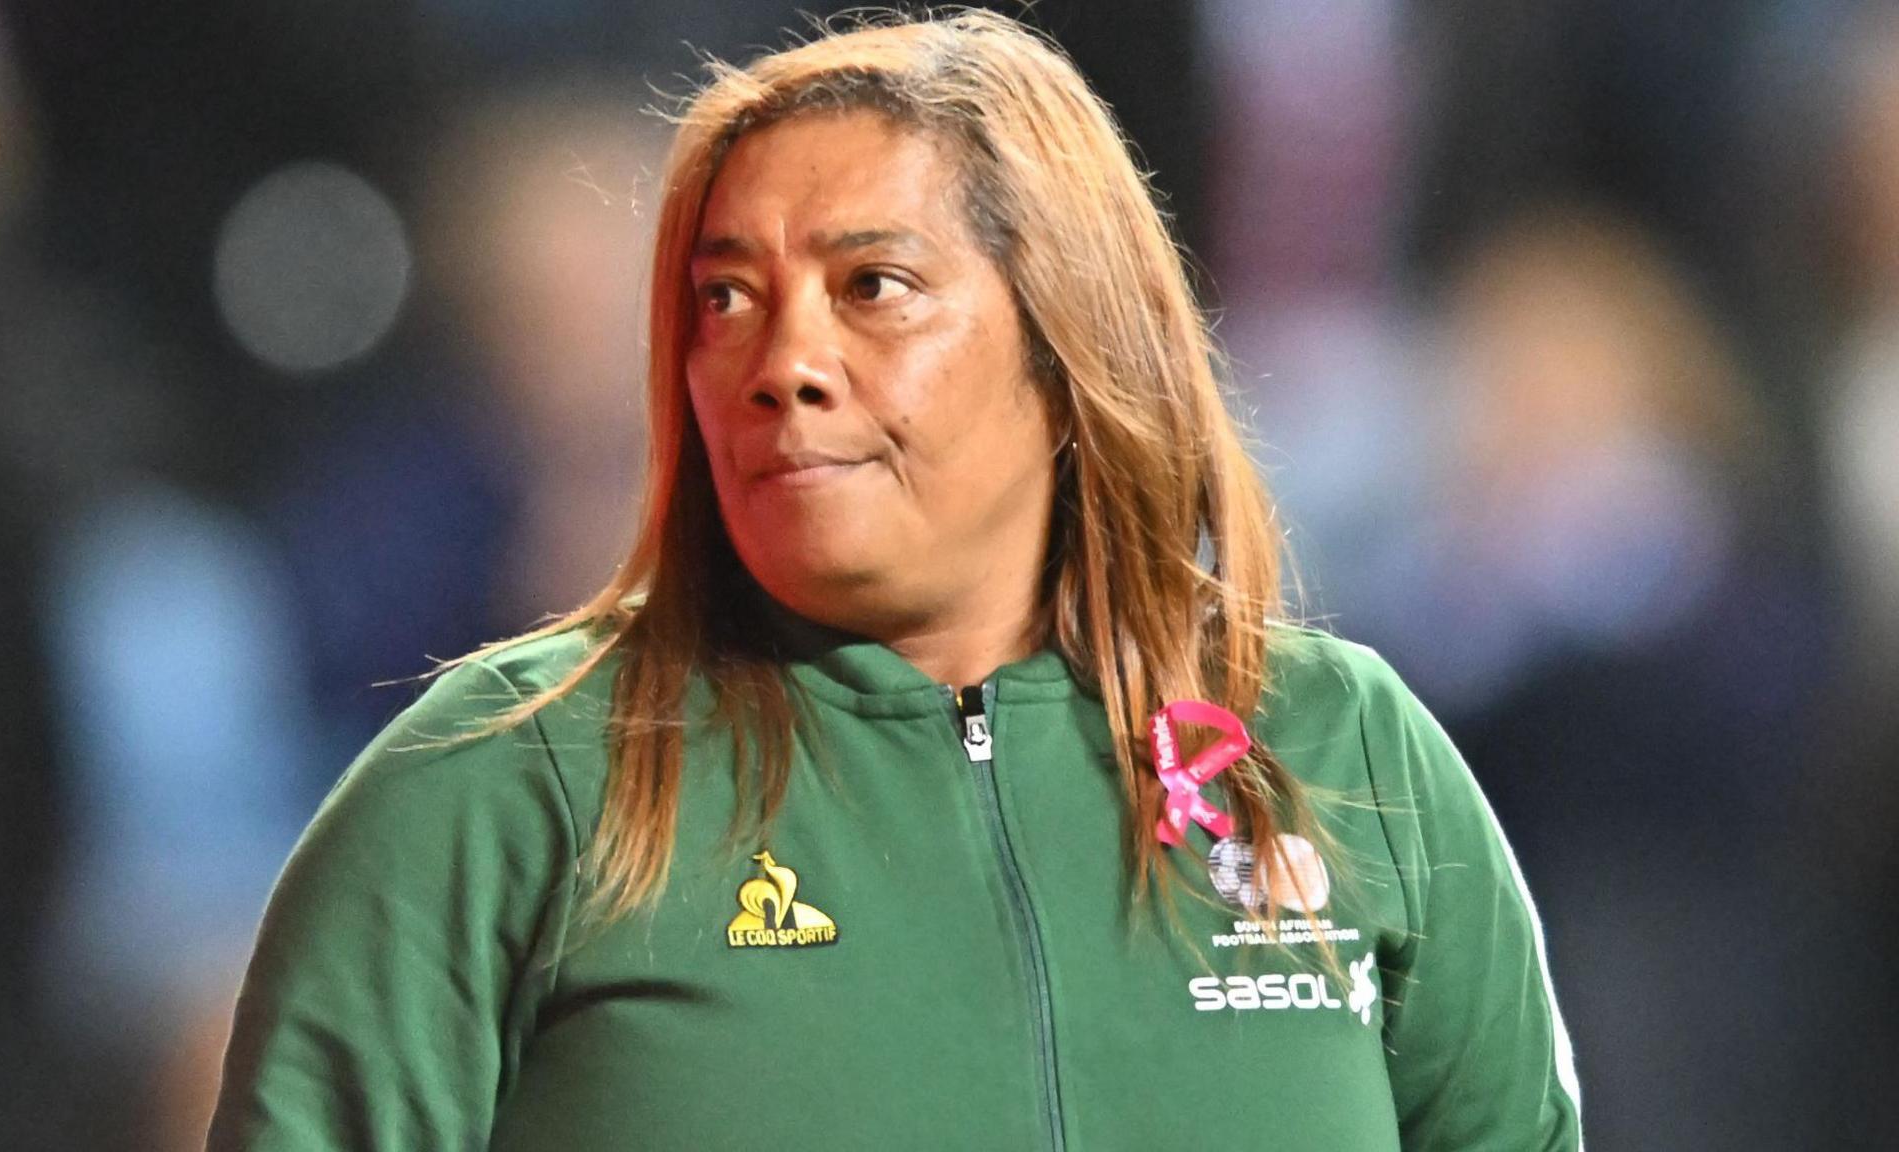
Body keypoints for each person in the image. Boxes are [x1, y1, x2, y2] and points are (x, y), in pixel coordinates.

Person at [206, 11, 1582, 1150]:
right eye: (724, 297)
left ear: (1065, 347)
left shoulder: (1343, 756)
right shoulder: (501, 787)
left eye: (874, 287)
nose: (782, 361)